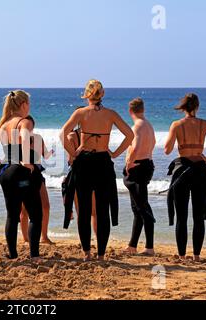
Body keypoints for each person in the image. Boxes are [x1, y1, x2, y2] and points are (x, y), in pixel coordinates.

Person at [59, 80, 133, 261]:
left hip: (84, 162)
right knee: (102, 210)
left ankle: (87, 253)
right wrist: (114, 153)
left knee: (84, 210)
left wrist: (73, 153)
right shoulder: (110, 114)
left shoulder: (81, 113)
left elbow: (63, 134)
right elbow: (130, 135)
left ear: (86, 95)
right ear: (102, 94)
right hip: (103, 162)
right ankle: (101, 255)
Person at [164, 93, 206, 262]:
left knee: (181, 217)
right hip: (199, 170)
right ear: (197, 107)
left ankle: (183, 256)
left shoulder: (176, 125)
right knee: (198, 217)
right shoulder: (204, 124)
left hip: (182, 170)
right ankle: (197, 256)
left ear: (183, 107)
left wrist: (173, 139)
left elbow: (167, 150)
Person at [0, 90, 43, 261]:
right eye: (29, 104)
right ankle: (34, 256)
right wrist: (26, 160)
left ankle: (13, 255)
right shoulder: (24, 122)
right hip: (23, 172)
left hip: (7, 172)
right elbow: (25, 137)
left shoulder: (4, 124)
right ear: (23, 104)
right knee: (35, 214)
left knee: (12, 215)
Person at [123, 98, 156, 256]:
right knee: (138, 208)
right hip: (147, 164)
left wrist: (129, 162)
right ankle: (132, 245)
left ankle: (149, 247)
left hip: (138, 167)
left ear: (130, 111)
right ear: (143, 109)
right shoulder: (148, 125)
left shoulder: (137, 126)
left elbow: (135, 147)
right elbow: (153, 143)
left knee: (143, 208)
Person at [19, 116, 55, 245]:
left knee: (45, 206)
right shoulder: (18, 138)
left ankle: (44, 237)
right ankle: (25, 238)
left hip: (37, 173)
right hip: (23, 174)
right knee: (24, 208)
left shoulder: (38, 138)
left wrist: (51, 152)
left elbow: (45, 155)